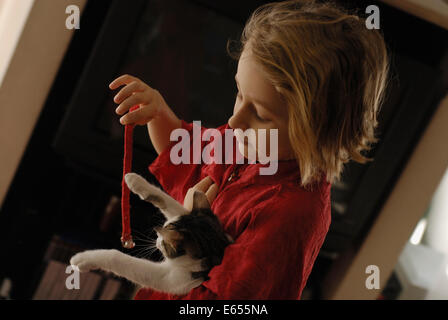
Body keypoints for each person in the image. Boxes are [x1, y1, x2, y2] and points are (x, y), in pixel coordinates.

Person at [108, 0, 389, 299]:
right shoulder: (244, 140)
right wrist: (159, 113)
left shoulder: (292, 214)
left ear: (320, 133)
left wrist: (188, 220)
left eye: (262, 115)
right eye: (239, 93)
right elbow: (181, 151)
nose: (234, 120)